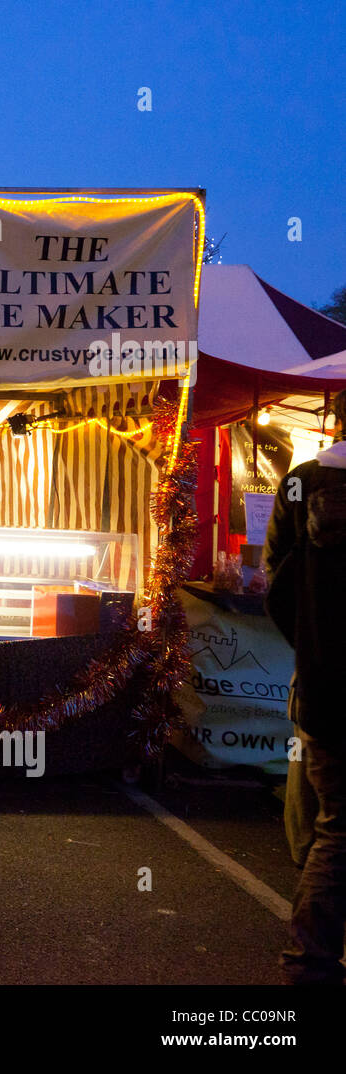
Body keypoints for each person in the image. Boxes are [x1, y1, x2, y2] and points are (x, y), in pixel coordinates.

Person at [264, 387, 346, 984]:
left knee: (332, 826)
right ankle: (308, 962)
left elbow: (277, 580)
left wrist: (311, 646)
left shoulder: (300, 483)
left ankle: (309, 962)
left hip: (323, 687)